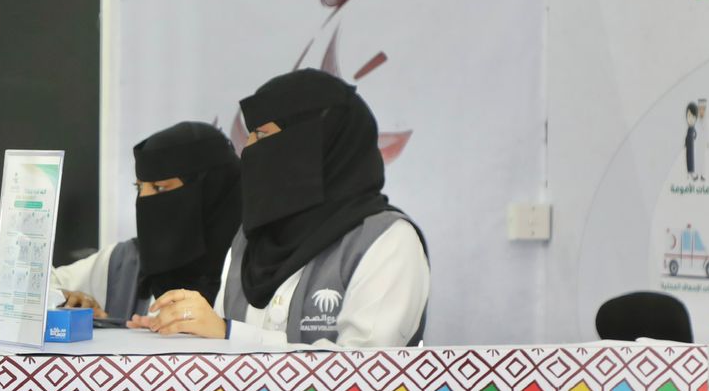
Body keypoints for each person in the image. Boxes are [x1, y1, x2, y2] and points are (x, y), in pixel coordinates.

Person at [134, 69, 429, 347]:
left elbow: (364, 372)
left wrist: (230, 334)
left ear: (311, 141)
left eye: (261, 135)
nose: (248, 149)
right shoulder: (247, 243)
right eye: (250, 135)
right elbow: (219, 355)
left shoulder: (386, 241)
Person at [52, 121, 240, 318]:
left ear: (210, 191)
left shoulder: (251, 274)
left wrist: (226, 330)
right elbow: (40, 286)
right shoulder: (125, 263)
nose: (144, 200)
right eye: (139, 188)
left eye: (160, 188)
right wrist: (63, 297)